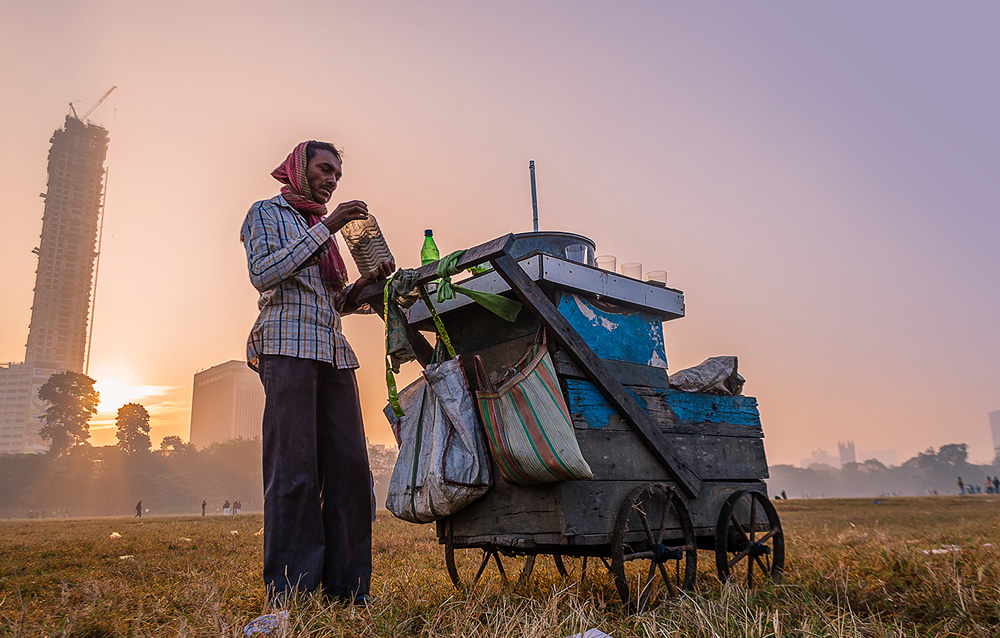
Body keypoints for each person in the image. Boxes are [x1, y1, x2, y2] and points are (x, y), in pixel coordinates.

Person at [241, 140, 392, 606]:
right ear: (298, 169)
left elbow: (335, 301)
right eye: (325, 170)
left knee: (351, 469)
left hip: (333, 352)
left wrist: (366, 284)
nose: (331, 180)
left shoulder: (318, 231)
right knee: (295, 469)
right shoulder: (267, 213)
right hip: (286, 346)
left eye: (337, 175)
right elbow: (264, 272)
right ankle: (292, 593)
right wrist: (329, 226)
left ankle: (349, 591)